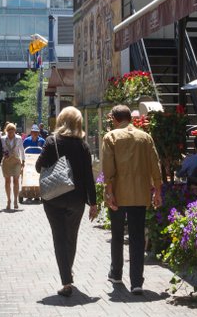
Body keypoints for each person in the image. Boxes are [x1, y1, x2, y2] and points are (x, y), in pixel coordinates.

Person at [35, 107, 99, 296]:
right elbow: (89, 176)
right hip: (77, 199)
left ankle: (66, 282)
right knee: (71, 237)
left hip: (53, 197)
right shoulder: (83, 145)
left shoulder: (51, 141)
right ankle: (68, 271)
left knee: (59, 238)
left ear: (60, 121)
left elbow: (39, 167)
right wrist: (93, 203)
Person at [101, 104, 163, 294]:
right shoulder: (145, 137)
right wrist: (158, 191)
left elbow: (108, 169)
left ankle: (116, 274)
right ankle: (137, 282)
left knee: (118, 235)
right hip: (140, 193)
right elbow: (155, 165)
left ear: (115, 119)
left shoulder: (110, 137)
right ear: (130, 118)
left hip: (118, 194)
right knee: (137, 237)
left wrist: (109, 192)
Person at [0, 122, 25, 211]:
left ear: (15, 130)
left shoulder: (18, 138)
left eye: (13, 130)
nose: (11, 131)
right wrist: (2, 156)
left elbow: (22, 150)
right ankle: (8, 200)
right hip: (6, 161)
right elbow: (0, 149)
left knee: (16, 180)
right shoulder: (2, 138)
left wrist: (23, 161)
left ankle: (15, 200)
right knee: (7, 181)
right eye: (9, 130)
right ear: (7, 130)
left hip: (16, 161)